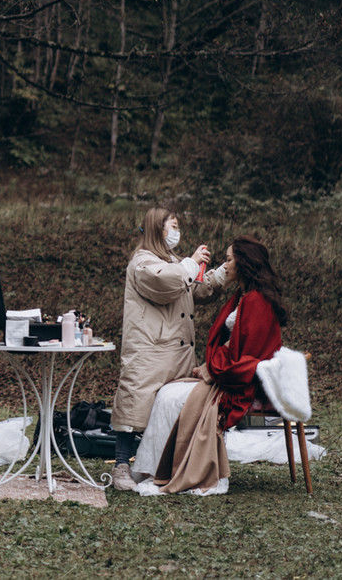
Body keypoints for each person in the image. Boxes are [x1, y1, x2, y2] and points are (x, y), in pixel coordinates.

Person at [134, 236, 289, 495]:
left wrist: (212, 370)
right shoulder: (245, 295)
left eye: (229, 260)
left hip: (240, 381)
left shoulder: (257, 301)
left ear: (244, 264)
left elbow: (251, 356)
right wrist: (211, 367)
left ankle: (175, 470)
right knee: (168, 393)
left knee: (172, 398)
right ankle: (154, 468)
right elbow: (235, 343)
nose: (225, 266)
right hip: (225, 372)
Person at [109, 206, 222, 491]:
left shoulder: (172, 260)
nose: (176, 231)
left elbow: (194, 289)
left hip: (177, 350)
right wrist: (191, 262)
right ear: (158, 229)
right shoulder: (142, 261)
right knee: (134, 406)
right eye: (172, 226)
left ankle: (161, 463)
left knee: (170, 408)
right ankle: (121, 465)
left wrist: (222, 275)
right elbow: (166, 282)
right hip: (149, 349)